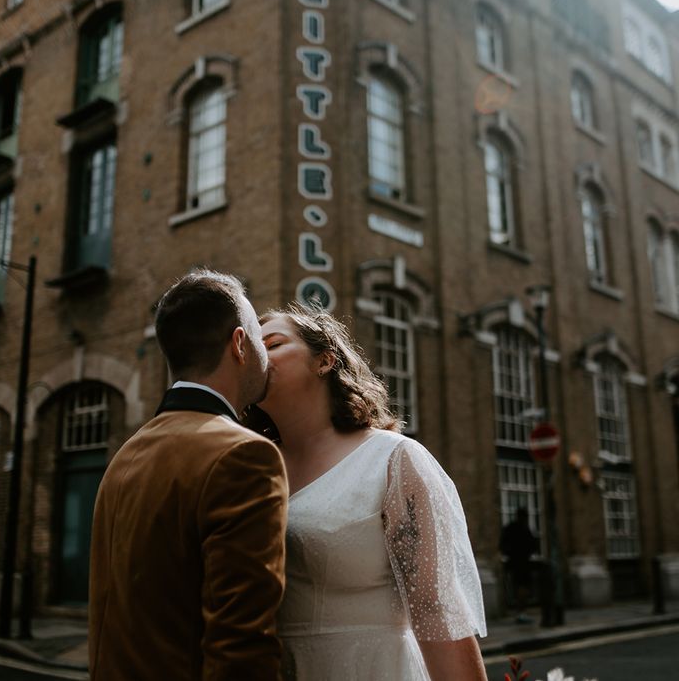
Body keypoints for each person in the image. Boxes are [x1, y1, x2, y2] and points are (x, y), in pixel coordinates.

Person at [250, 303, 488, 681]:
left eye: (274, 343)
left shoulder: (392, 460)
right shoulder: (248, 467)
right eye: (251, 348)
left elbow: (434, 607)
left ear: (324, 361)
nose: (258, 356)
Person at [88, 270, 289, 681]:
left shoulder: (124, 457)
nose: (266, 355)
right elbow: (242, 646)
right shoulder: (244, 456)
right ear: (238, 344)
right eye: (258, 339)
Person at [500, 506, 538, 623]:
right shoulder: (523, 529)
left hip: (513, 562)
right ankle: (521, 612)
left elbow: (502, 545)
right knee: (523, 588)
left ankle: (519, 612)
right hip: (523, 563)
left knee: (517, 587)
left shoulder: (510, 528)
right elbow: (533, 545)